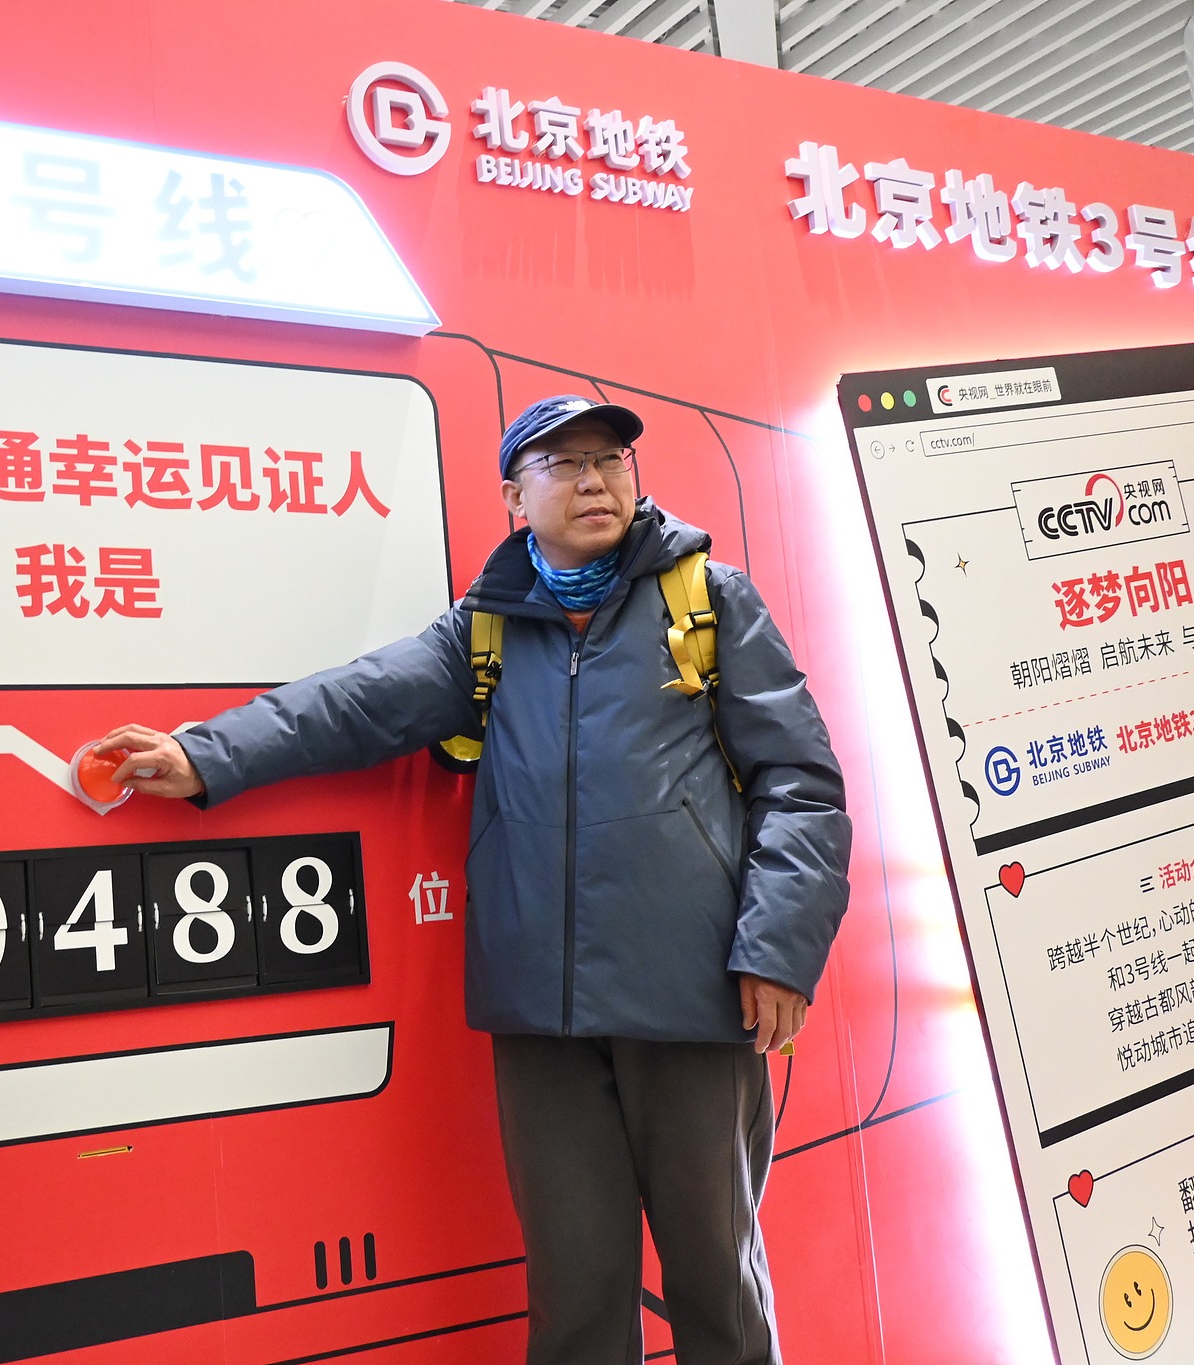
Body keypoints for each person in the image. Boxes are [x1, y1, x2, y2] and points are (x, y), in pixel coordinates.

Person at [97, 396, 852, 1365]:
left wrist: (777, 951)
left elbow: (802, 784)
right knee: (574, 1306)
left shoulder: (704, 601)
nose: (593, 479)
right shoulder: (485, 634)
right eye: (563, 463)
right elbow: (353, 703)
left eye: (609, 460)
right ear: (511, 496)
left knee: (718, 1292)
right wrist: (206, 757)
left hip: (692, 1007)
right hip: (540, 1020)